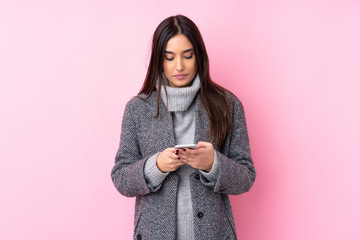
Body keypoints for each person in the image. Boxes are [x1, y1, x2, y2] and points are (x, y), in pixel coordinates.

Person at [111, 14, 256, 240]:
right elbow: (121, 178)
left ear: (199, 56)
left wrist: (212, 164)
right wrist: (155, 166)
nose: (179, 65)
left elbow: (246, 177)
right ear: (159, 60)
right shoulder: (137, 109)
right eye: (169, 58)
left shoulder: (227, 105)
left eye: (187, 56)